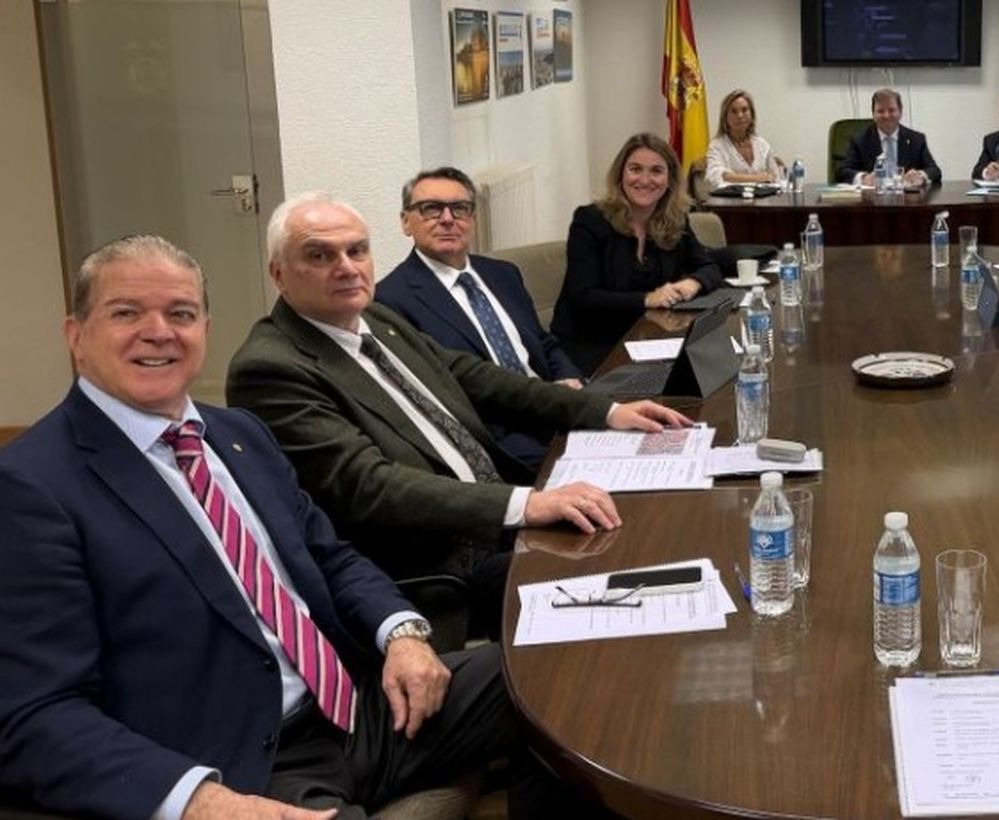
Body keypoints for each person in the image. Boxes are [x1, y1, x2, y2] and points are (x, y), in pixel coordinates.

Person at [0, 235, 532, 818]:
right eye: (126, 313)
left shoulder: (239, 434)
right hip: (243, 767)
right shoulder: (31, 486)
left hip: (360, 707)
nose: (158, 332)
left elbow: (330, 556)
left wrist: (401, 635)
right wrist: (201, 800)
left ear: (205, 328)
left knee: (554, 671)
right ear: (76, 334)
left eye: (181, 313)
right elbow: (35, 713)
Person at [228, 192, 691, 637]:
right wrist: (527, 504)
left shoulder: (377, 320)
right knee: (634, 576)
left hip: (497, 514)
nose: (347, 267)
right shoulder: (271, 368)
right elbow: (368, 485)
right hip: (444, 562)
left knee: (660, 523)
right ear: (278, 274)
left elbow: (478, 378)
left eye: (357, 250)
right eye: (320, 256)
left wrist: (606, 410)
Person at [375, 167, 583, 470]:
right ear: (406, 221)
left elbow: (543, 342)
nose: (448, 219)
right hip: (501, 439)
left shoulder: (503, 273)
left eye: (459, 208)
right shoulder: (390, 300)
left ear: (472, 218)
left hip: (559, 407)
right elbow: (441, 399)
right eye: (431, 208)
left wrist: (569, 379)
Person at [550, 133, 723, 374]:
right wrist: (647, 299)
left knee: (710, 370)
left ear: (670, 179)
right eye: (635, 169)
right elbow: (583, 297)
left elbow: (709, 267)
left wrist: (693, 283)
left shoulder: (675, 220)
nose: (645, 179)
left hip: (650, 339)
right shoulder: (590, 221)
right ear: (621, 174)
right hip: (592, 345)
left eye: (656, 171)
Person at [835, 87, 942, 188]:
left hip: (907, 198)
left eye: (891, 110)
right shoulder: (860, 140)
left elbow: (934, 170)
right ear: (873, 114)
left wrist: (921, 176)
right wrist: (864, 178)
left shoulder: (916, 139)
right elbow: (842, 171)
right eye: (880, 111)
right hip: (872, 198)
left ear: (900, 112)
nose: (886, 116)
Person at [703, 89, 785, 189]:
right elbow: (717, 176)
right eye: (734, 111)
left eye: (744, 110)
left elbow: (775, 177)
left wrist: (736, 178)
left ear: (752, 115)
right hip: (730, 198)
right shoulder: (717, 146)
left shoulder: (762, 145)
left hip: (763, 198)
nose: (740, 115)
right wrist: (759, 178)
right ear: (725, 117)